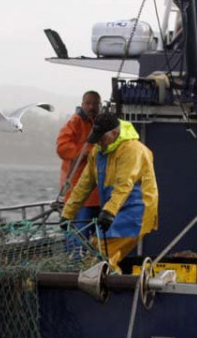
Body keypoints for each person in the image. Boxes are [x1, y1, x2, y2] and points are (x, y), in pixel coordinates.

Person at [60, 113, 159, 272]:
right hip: (114, 212)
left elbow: (124, 185)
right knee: (95, 251)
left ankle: (113, 290)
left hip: (137, 211)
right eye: (96, 137)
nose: (99, 142)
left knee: (100, 257)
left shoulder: (133, 150)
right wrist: (67, 214)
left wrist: (108, 212)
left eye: (102, 138)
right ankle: (110, 286)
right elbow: (83, 185)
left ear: (114, 133)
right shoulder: (98, 152)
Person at [55, 91, 102, 229]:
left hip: (99, 193)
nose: (91, 107)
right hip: (78, 191)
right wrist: (88, 151)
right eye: (88, 103)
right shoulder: (75, 122)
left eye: (95, 104)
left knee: (94, 235)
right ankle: (75, 251)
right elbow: (62, 148)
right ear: (82, 105)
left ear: (100, 105)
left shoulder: (101, 123)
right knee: (78, 233)